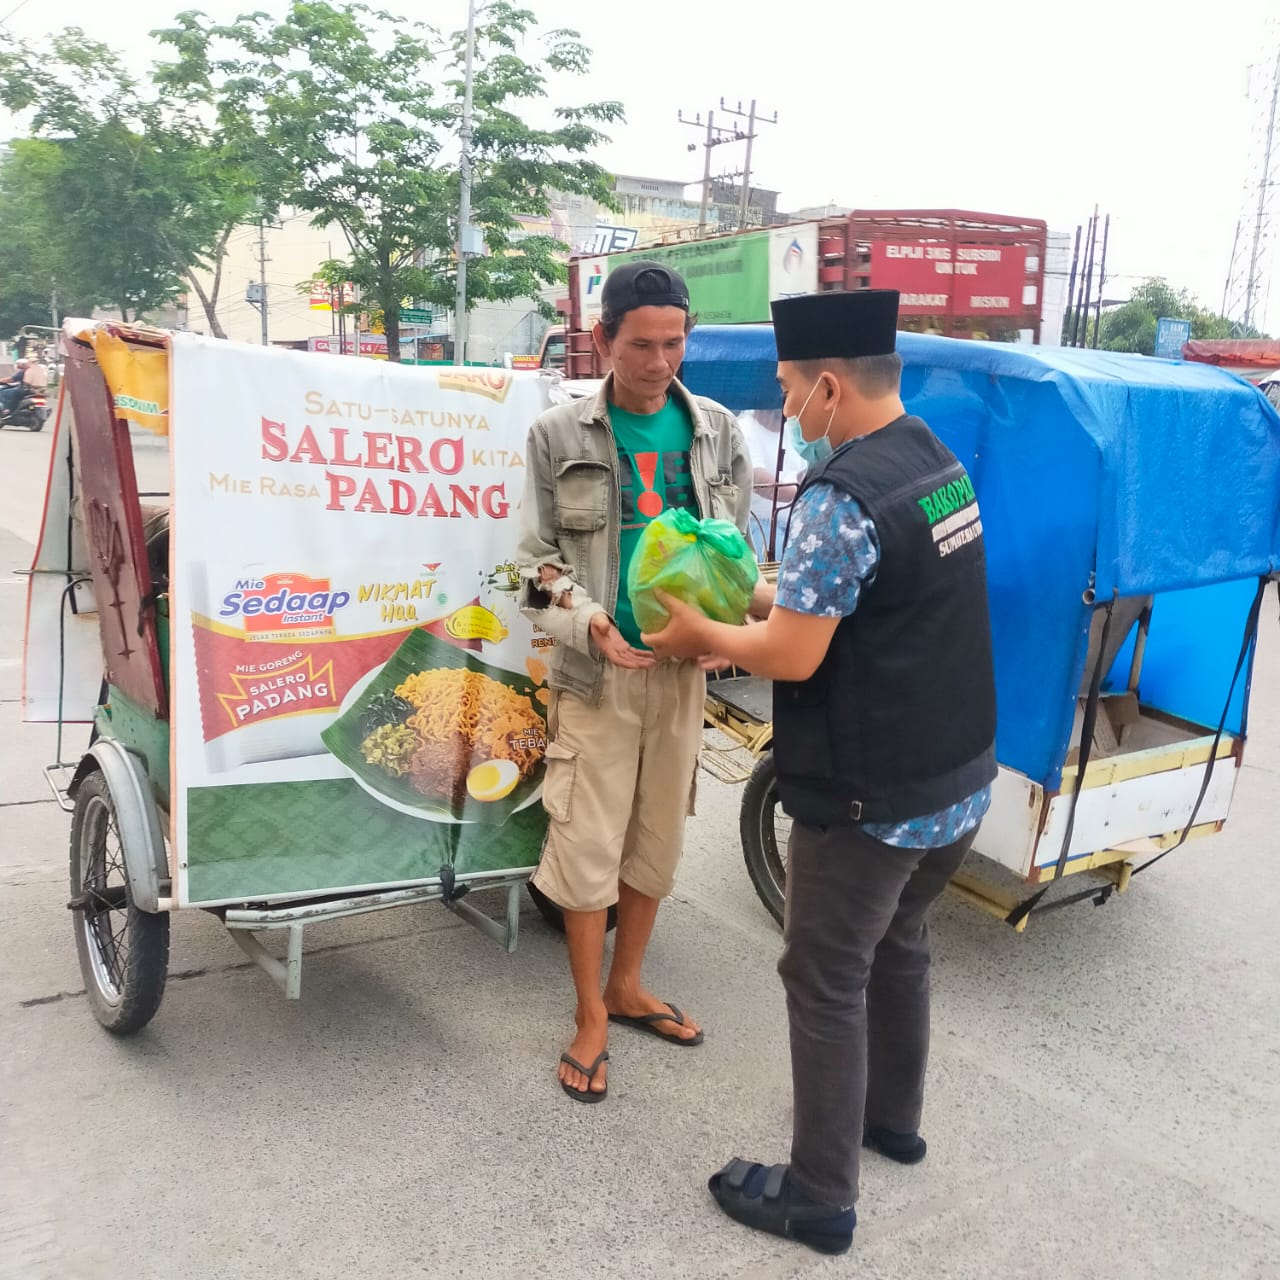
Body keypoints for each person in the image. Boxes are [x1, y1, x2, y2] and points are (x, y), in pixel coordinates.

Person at [643, 289, 997, 1254]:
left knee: (824, 974)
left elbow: (794, 654)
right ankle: (894, 1123)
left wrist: (698, 632)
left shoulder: (840, 495)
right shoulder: (931, 461)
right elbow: (842, 596)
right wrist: (737, 588)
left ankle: (818, 1197)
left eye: (793, 391)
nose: (788, 410)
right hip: (956, 778)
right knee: (901, 944)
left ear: (832, 385)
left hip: (868, 793)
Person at [517, 261, 753, 1103]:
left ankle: (629, 984)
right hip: (594, 675)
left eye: (675, 343)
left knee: (657, 839)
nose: (661, 362)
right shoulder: (559, 434)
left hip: (682, 673)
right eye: (643, 345)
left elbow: (737, 551)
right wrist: (590, 621)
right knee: (586, 842)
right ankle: (589, 1012)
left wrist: (731, 628)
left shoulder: (719, 430)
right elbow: (529, 567)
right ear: (602, 340)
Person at [736, 407, 803, 560]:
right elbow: (758, 480)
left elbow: (804, 472)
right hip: (757, 526)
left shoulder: (792, 430)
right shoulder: (744, 429)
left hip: (793, 521)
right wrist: (799, 491)